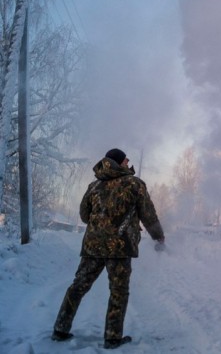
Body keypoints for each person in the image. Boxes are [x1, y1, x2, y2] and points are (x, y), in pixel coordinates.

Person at [51, 148, 165, 349]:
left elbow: (85, 216)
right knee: (118, 291)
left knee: (78, 287)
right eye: (125, 159)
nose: (128, 162)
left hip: (92, 247)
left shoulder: (94, 186)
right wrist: (159, 237)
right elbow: (148, 215)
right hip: (120, 248)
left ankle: (60, 329)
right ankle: (112, 338)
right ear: (118, 162)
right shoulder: (134, 184)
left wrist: (101, 222)